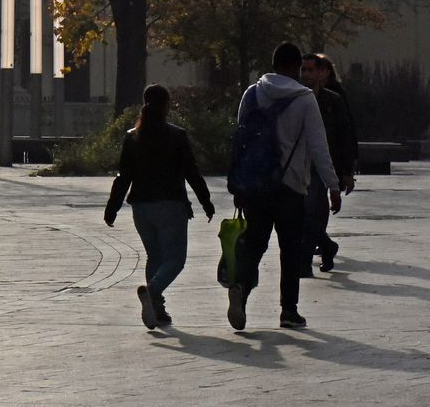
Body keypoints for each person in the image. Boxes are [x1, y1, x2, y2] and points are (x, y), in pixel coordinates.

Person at [228, 42, 342, 332]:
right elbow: (318, 146)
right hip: (290, 185)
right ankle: (288, 311)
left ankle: (241, 287)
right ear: (294, 67)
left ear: (273, 63)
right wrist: (332, 184)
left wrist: (240, 183)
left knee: (254, 243)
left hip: (255, 184)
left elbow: (241, 139)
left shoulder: (251, 93)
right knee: (290, 249)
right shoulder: (304, 99)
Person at [104, 84, 214, 329]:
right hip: (170, 206)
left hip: (141, 208)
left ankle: (157, 308)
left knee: (155, 256)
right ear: (167, 105)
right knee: (175, 259)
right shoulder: (177, 136)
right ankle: (152, 292)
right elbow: (191, 172)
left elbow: (123, 176)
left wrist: (112, 207)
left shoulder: (133, 136)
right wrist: (206, 201)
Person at [301, 53, 356, 274]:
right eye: (303, 70)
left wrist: (347, 172)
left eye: (310, 70)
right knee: (306, 212)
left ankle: (304, 263)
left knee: (313, 210)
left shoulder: (332, 101)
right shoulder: (295, 98)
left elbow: (345, 136)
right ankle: (326, 245)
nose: (306, 74)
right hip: (299, 164)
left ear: (321, 73)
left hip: (324, 164)